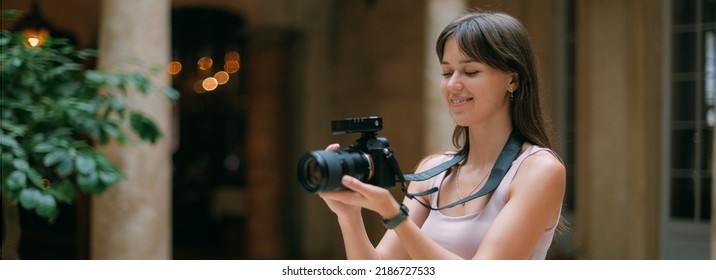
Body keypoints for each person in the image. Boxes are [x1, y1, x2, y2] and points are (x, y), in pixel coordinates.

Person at [319, 10, 566, 260]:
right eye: (447, 73)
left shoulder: (538, 169)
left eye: (470, 72)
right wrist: (349, 216)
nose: (452, 85)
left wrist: (395, 217)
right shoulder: (434, 171)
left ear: (512, 79)